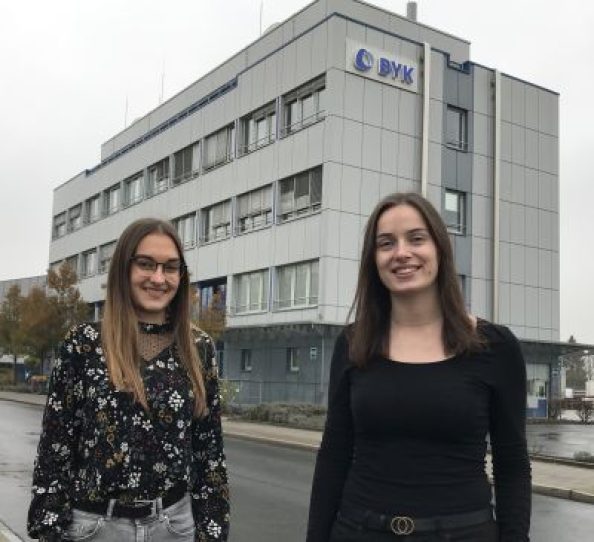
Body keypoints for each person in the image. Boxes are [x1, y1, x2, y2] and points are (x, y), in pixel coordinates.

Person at [306, 193, 530, 541]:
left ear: (439, 248)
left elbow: (512, 463)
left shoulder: (495, 347)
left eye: (416, 238)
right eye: (385, 243)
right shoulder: (353, 344)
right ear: (373, 260)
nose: (401, 253)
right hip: (359, 531)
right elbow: (334, 454)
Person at [27, 218, 230, 542]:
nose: (159, 278)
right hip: (94, 528)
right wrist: (49, 526)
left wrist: (213, 530)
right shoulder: (84, 343)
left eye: (171, 267)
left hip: (175, 527)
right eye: (146, 264)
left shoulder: (199, 348)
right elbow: (56, 446)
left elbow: (209, 454)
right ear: (124, 268)